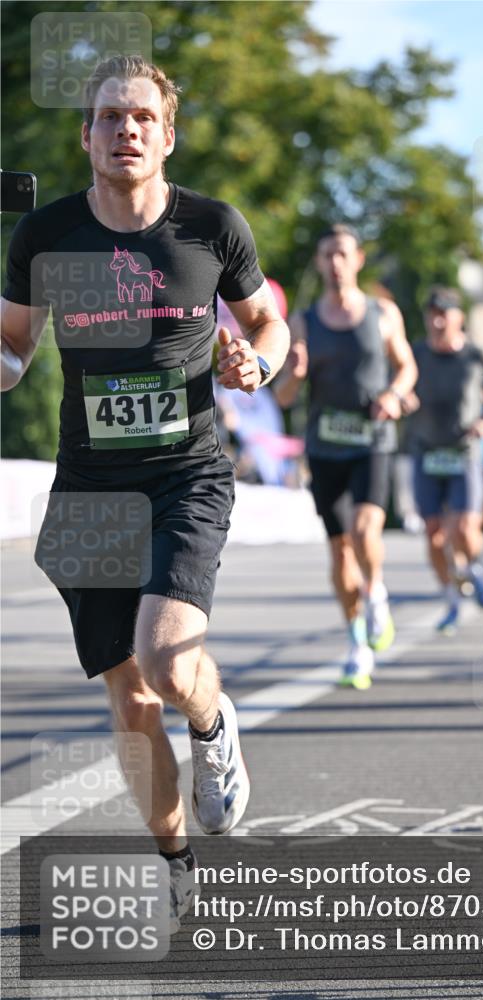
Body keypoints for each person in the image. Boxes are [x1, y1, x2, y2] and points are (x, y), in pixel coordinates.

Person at [0, 56, 289, 932]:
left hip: (184, 474)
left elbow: (269, 320)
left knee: (166, 666)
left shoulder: (211, 226)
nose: (124, 130)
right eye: (107, 117)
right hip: (90, 486)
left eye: (140, 118)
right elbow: (13, 350)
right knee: (128, 701)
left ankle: (212, 723)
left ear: (166, 135)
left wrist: (257, 359)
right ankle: (176, 865)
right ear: (86, 135)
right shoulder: (46, 236)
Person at [274, 224, 417, 689]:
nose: (335, 263)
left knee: (364, 528)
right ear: (319, 263)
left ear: (357, 260)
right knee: (339, 550)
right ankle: (357, 642)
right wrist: (294, 374)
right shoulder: (304, 321)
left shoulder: (383, 313)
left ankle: (377, 595)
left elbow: (407, 366)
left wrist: (395, 394)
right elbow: (283, 398)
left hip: (373, 439)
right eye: (326, 255)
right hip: (325, 445)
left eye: (342, 254)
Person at [407, 287, 483, 634]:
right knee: (433, 534)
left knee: (463, 528)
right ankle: (451, 599)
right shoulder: (416, 353)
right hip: (426, 450)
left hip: (463, 451)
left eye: (444, 312)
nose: (437, 319)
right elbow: (400, 381)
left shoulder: (474, 355)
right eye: (432, 313)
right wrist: (402, 399)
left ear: (459, 317)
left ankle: (474, 567)